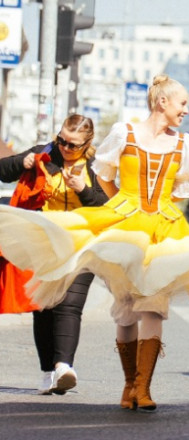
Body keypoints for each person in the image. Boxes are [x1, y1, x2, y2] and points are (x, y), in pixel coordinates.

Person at [0, 75, 189, 412]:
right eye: (182, 103)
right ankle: (127, 385)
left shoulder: (184, 144)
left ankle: (142, 386)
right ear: (162, 102)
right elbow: (105, 176)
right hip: (125, 218)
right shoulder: (125, 133)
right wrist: (121, 206)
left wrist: (157, 210)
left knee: (154, 305)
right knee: (126, 308)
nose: (187, 110)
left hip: (164, 227)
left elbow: (181, 189)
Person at [0, 114, 108, 395]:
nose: (64, 147)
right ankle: (48, 371)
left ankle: (64, 367)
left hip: (81, 244)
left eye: (72, 144)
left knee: (69, 305)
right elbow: (2, 171)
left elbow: (108, 206)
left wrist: (83, 190)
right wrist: (19, 163)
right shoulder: (43, 153)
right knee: (44, 307)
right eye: (61, 139)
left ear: (87, 143)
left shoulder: (97, 167)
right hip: (43, 244)